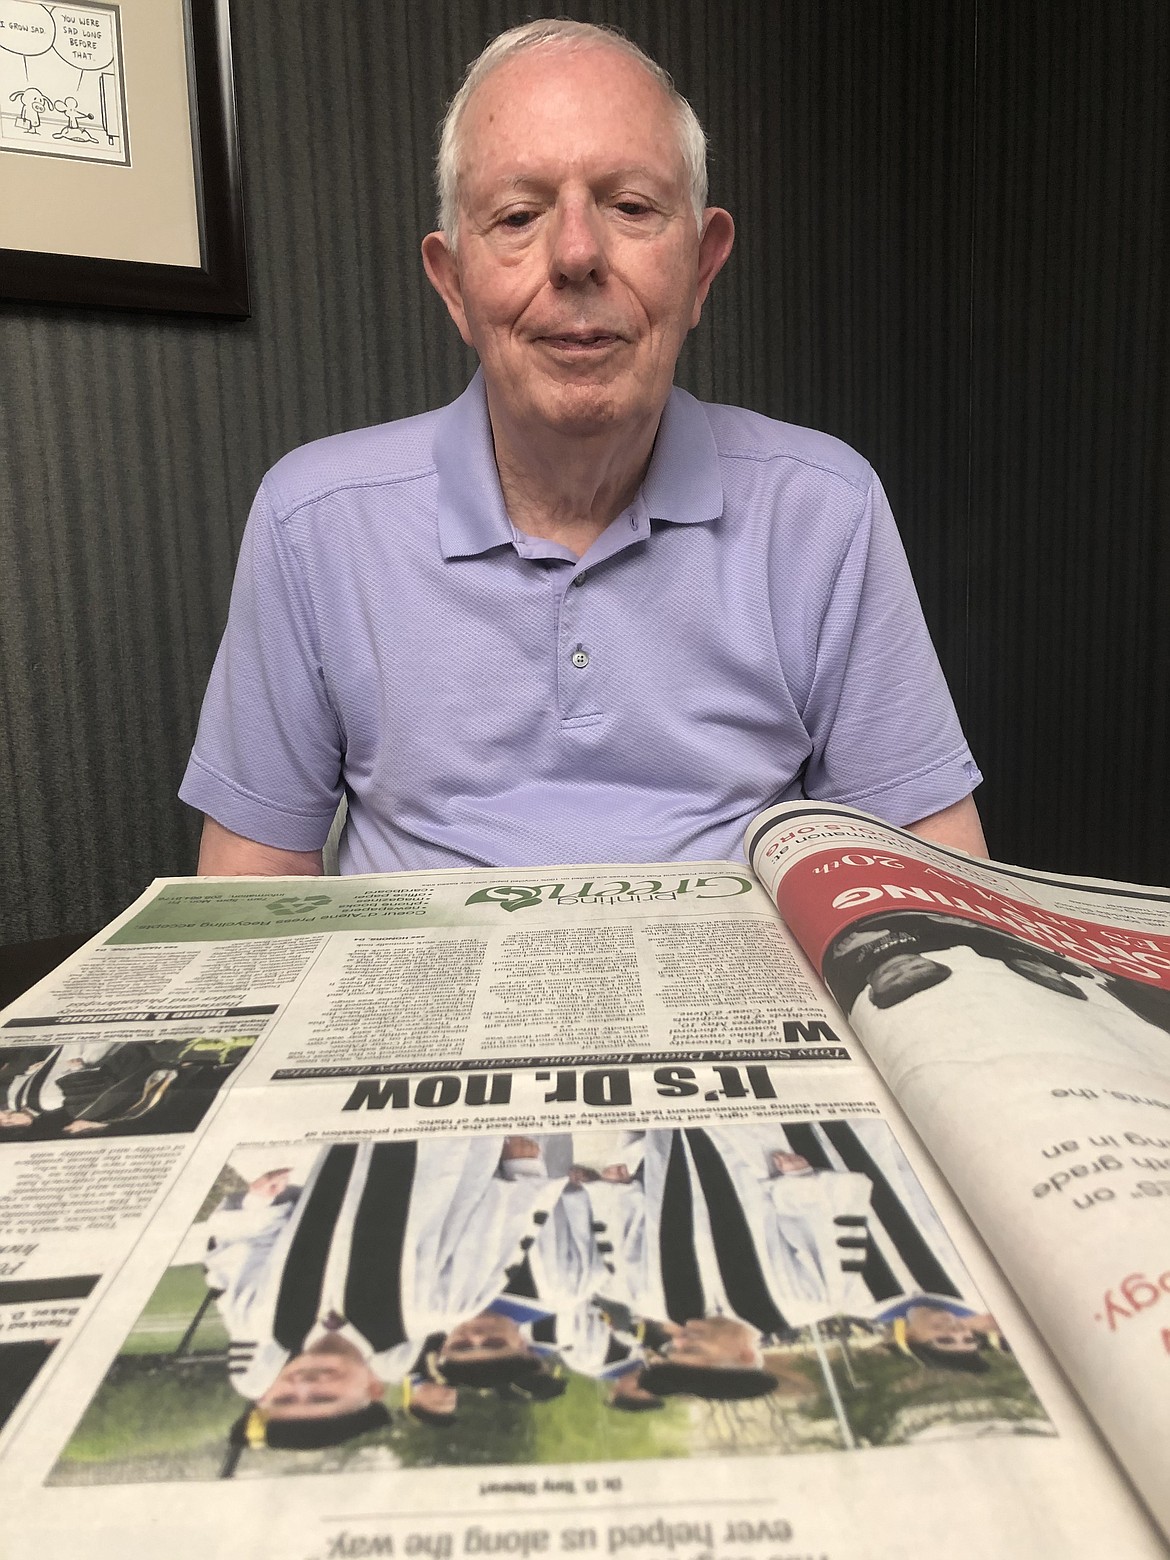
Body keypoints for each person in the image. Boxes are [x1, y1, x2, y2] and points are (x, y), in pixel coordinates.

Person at [180, 18, 985, 879]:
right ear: (453, 283)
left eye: (631, 207)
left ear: (703, 268)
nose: (575, 256)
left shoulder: (826, 510)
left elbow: (935, 873)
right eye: (519, 215)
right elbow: (249, 892)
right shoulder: (314, 522)